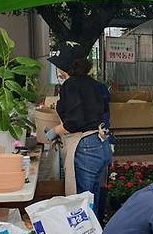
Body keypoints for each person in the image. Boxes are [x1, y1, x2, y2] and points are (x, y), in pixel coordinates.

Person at [45, 48, 113, 210]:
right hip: (101, 143)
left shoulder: (70, 85)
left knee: (81, 202)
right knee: (93, 199)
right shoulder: (95, 84)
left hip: (85, 147)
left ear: (66, 68)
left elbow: (73, 123)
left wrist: (55, 131)